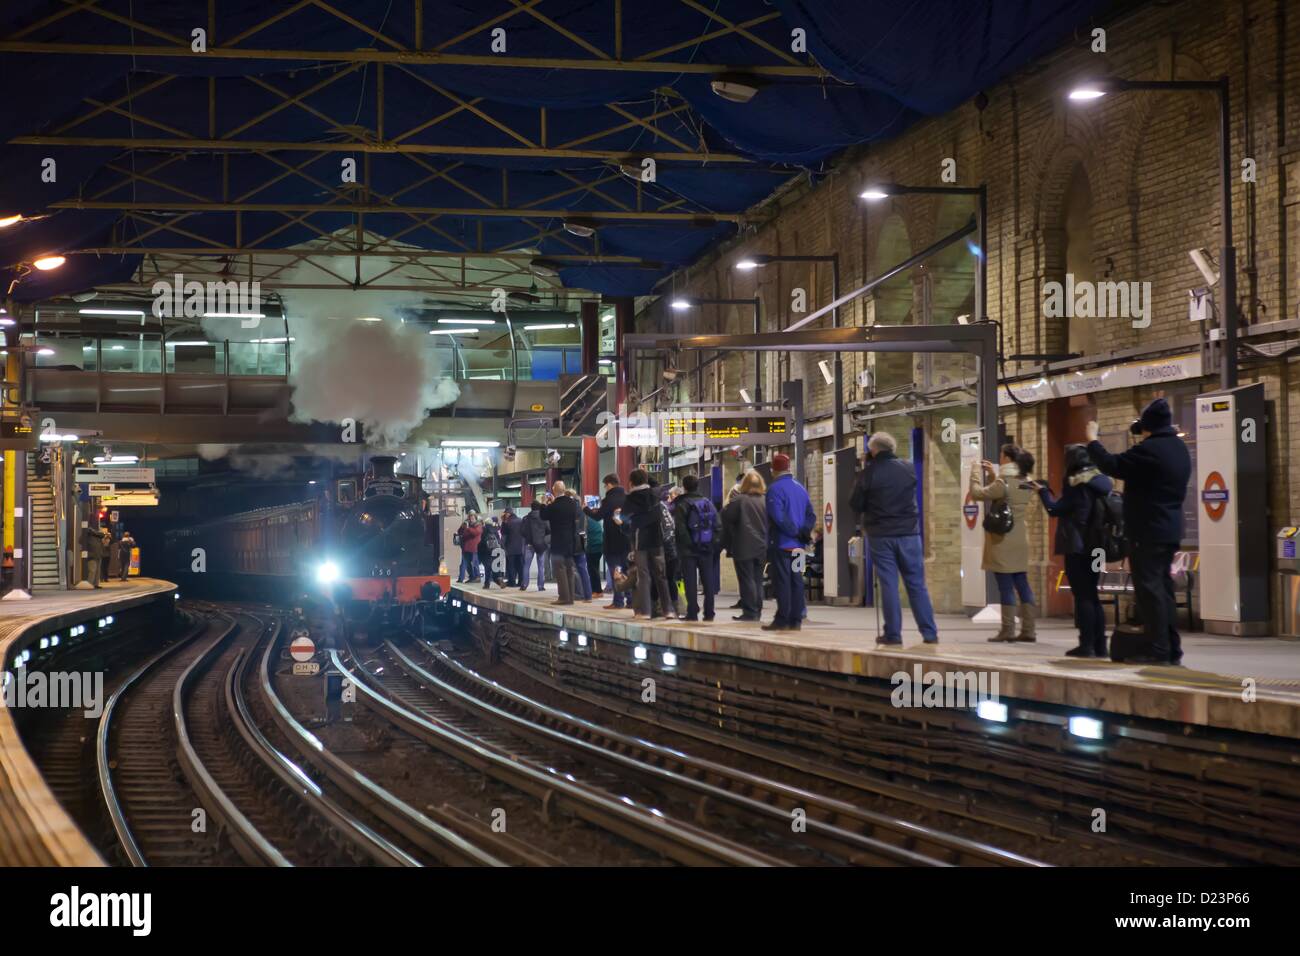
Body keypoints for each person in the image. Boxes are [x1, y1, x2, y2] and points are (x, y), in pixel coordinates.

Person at [1086, 398, 1192, 665]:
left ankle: (1158, 651)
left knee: (1150, 591)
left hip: (1148, 530)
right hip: (1170, 529)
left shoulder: (1150, 450)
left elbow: (1112, 465)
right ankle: (1171, 649)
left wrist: (1092, 441)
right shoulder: (1178, 447)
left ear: (1149, 426)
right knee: (1163, 589)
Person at [850, 431, 939, 646]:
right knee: (917, 584)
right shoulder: (908, 468)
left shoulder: (868, 474)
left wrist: (865, 469)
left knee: (889, 584)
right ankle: (930, 633)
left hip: (882, 536)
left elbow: (856, 504)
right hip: (909, 533)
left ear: (873, 450)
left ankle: (893, 634)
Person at [1034, 445, 1114, 657]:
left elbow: (1054, 509)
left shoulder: (1076, 484)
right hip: (1099, 548)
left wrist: (1042, 491)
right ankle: (1100, 645)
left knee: (1083, 596)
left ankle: (1086, 645)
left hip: (1079, 547)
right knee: (1093, 594)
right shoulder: (1101, 482)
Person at [969, 444, 1039, 643]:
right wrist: (993, 475)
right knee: (1023, 584)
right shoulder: (1026, 481)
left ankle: (1007, 630)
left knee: (1006, 586)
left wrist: (974, 473)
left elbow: (978, 494)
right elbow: (1004, 496)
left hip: (1003, 541)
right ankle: (1029, 630)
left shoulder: (1004, 482)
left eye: (1001, 455)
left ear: (1007, 459)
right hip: (1020, 539)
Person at [764, 452, 816, 632]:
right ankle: (797, 619)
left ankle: (782, 619)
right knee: (797, 581)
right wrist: (803, 532)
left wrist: (794, 532)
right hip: (799, 548)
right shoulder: (800, 488)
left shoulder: (774, 489)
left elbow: (778, 517)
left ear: (773, 469)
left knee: (783, 582)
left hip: (782, 545)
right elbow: (811, 514)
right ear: (788, 468)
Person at [623, 469, 674, 620]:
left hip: (641, 543)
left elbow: (624, 522)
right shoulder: (655, 494)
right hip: (657, 540)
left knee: (643, 576)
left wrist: (624, 525)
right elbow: (656, 484)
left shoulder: (630, 499)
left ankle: (645, 612)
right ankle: (668, 610)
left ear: (631, 483)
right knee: (661, 576)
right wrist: (646, 477)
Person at [674, 474, 722, 622]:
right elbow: (717, 525)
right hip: (706, 548)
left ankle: (692, 612)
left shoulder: (682, 504)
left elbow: (680, 529)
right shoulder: (707, 502)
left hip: (689, 550)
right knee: (708, 581)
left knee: (690, 581)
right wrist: (711, 543)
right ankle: (709, 613)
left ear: (684, 487)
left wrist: (689, 544)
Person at [721, 470, 768, 621]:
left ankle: (750, 612)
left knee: (746, 579)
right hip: (762, 546)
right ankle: (757, 612)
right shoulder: (766, 500)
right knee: (757, 579)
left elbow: (725, 518)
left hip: (743, 545)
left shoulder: (739, 501)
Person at [585, 474, 629, 609]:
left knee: (616, 571)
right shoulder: (627, 498)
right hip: (627, 540)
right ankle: (632, 600)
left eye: (605, 485)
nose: (605, 488)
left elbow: (597, 516)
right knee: (627, 571)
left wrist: (586, 509)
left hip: (613, 542)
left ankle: (618, 601)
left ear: (609, 484)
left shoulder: (609, 499)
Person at [540, 482, 581, 605]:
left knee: (560, 569)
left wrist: (543, 503)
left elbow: (543, 515)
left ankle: (563, 597)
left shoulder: (554, 506)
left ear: (554, 491)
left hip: (558, 542)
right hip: (570, 541)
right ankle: (571, 597)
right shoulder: (572, 503)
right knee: (569, 569)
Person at [567, 489, 594, 602]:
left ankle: (574, 594)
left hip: (571, 542)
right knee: (583, 569)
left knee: (570, 569)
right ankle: (588, 595)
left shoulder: (569, 509)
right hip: (581, 541)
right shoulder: (582, 510)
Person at [520, 501, 549, 591]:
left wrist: (529, 538)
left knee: (526, 565)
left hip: (529, 544)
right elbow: (548, 529)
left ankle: (524, 584)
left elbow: (522, 531)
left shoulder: (526, 518)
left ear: (531, 508)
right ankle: (540, 586)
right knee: (541, 566)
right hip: (541, 544)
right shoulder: (544, 518)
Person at [478, 516, 504, 589]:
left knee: (487, 568)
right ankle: (499, 579)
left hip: (486, 552)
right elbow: (499, 540)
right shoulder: (495, 530)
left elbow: (482, 541)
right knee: (496, 567)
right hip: (496, 551)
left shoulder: (484, 530)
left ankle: (487, 584)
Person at [455, 513, 482, 583]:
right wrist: (462, 526)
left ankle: (477, 576)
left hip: (474, 548)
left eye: (472, 517)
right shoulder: (467, 525)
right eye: (470, 517)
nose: (471, 519)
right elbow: (460, 532)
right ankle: (470, 577)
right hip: (466, 547)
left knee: (474, 563)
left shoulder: (478, 525)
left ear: (475, 518)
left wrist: (467, 528)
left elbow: (475, 533)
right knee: (465, 564)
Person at [501, 508, 524, 587]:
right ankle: (521, 582)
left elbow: (503, 532)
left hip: (510, 547)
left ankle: (512, 582)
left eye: (505, 513)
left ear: (508, 513)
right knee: (520, 566)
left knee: (511, 566)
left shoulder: (507, 522)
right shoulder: (520, 520)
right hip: (520, 547)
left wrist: (503, 522)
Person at [585, 513, 604, 598]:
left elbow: (584, 534)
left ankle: (596, 591)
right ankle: (597, 590)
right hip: (599, 546)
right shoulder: (596, 519)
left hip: (593, 547)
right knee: (595, 569)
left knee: (592, 570)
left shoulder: (587, 520)